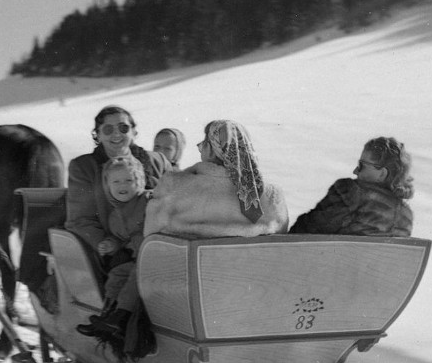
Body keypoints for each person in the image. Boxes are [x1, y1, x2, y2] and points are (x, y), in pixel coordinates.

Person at [65, 105, 170, 269]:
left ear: (133, 132)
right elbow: (80, 220)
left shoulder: (157, 161)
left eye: (123, 128)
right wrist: (112, 247)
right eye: (107, 129)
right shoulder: (84, 167)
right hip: (117, 250)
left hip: (160, 244)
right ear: (97, 135)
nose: (116, 134)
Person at [144, 119, 288, 238]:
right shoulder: (269, 197)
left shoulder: (173, 186)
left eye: (203, 145)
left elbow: (151, 236)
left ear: (212, 149)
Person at [75, 155, 150, 342]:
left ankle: (121, 315)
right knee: (117, 274)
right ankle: (107, 314)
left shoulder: (148, 202)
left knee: (136, 276)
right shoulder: (115, 216)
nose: (122, 185)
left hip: (154, 260)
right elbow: (120, 239)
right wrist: (112, 244)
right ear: (108, 187)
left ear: (139, 182)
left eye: (129, 180)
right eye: (116, 182)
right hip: (136, 261)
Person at [289, 136, 414, 237]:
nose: (355, 171)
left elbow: (310, 228)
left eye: (361, 165)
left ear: (382, 174)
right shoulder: (406, 216)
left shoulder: (350, 192)